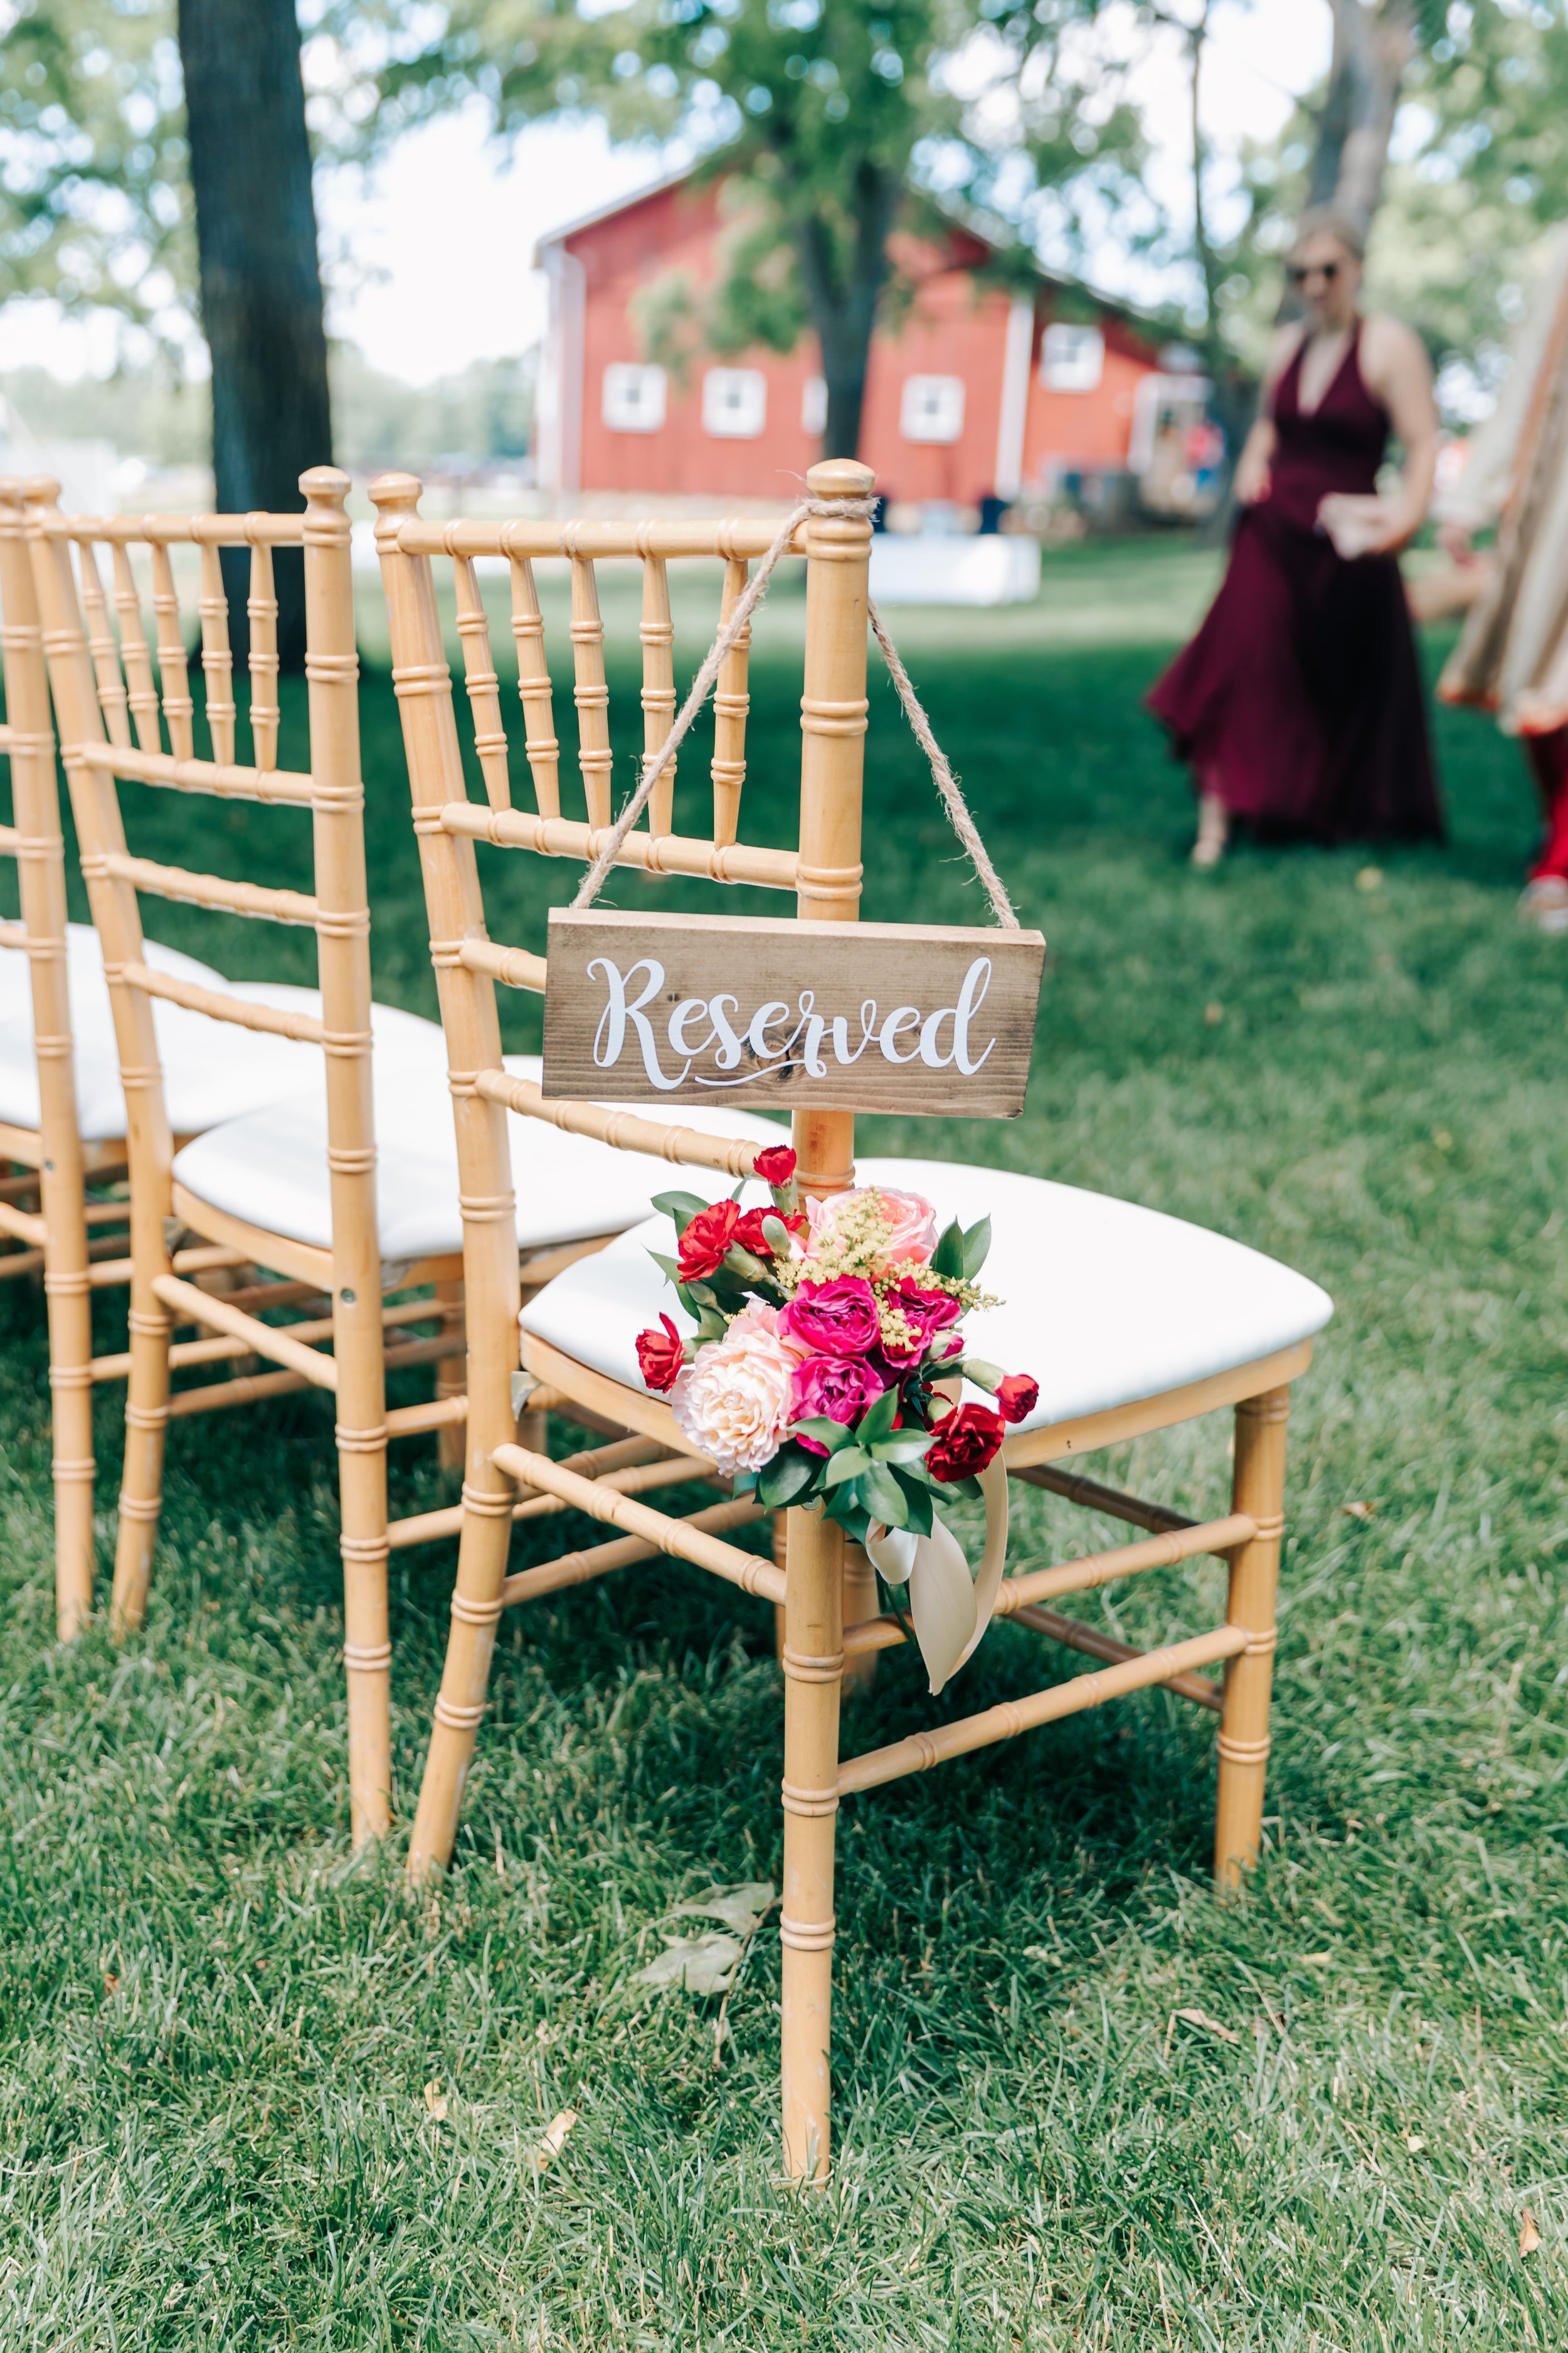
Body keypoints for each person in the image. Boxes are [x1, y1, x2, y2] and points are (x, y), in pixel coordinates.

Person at [1149, 212, 1444, 866]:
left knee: (1338, 683)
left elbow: (1423, 444)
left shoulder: (1388, 345)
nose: (1313, 284)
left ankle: (1309, 807)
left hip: (1347, 544)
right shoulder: (1285, 346)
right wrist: (1255, 461)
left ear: (1356, 271)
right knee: (1240, 658)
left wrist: (1402, 522)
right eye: (1299, 273)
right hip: (1271, 534)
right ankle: (1215, 826)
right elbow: (1266, 428)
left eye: (1327, 270)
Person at [1431, 227, 1568, 933]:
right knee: (1533, 676)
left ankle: (1559, 860)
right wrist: (1472, 496)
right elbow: (1527, 378)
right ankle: (1559, 832)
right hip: (1555, 501)